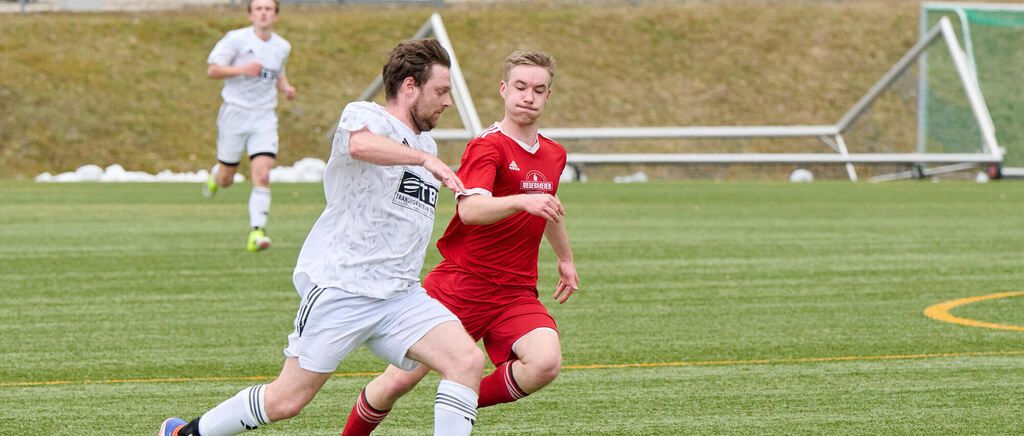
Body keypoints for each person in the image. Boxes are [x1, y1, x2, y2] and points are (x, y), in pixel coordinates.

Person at [159, 39, 485, 436]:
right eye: (441, 91)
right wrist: (424, 160)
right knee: (286, 401)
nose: (447, 101)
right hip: (343, 288)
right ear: (410, 86)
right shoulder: (366, 117)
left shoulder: (425, 143)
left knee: (466, 361)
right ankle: (185, 434)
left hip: (401, 295)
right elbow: (359, 144)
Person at [341, 50, 580, 435]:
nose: (528, 97)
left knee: (545, 363)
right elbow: (471, 210)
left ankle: (457, 401)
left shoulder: (554, 153)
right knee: (397, 382)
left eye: (538, 89)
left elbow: (546, 206)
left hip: (514, 291)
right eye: (520, 87)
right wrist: (522, 200)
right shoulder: (488, 146)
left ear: (548, 96)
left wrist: (565, 258)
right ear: (504, 89)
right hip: (460, 284)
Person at [202, 0, 297, 252]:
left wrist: (285, 87)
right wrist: (242, 69)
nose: (263, 13)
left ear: (275, 15)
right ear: (250, 14)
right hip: (234, 114)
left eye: (269, 9)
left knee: (263, 174)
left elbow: (277, 72)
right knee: (226, 179)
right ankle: (216, 175)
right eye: (259, 9)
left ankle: (257, 232)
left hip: (264, 116)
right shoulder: (235, 40)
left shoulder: (282, 46)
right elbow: (212, 70)